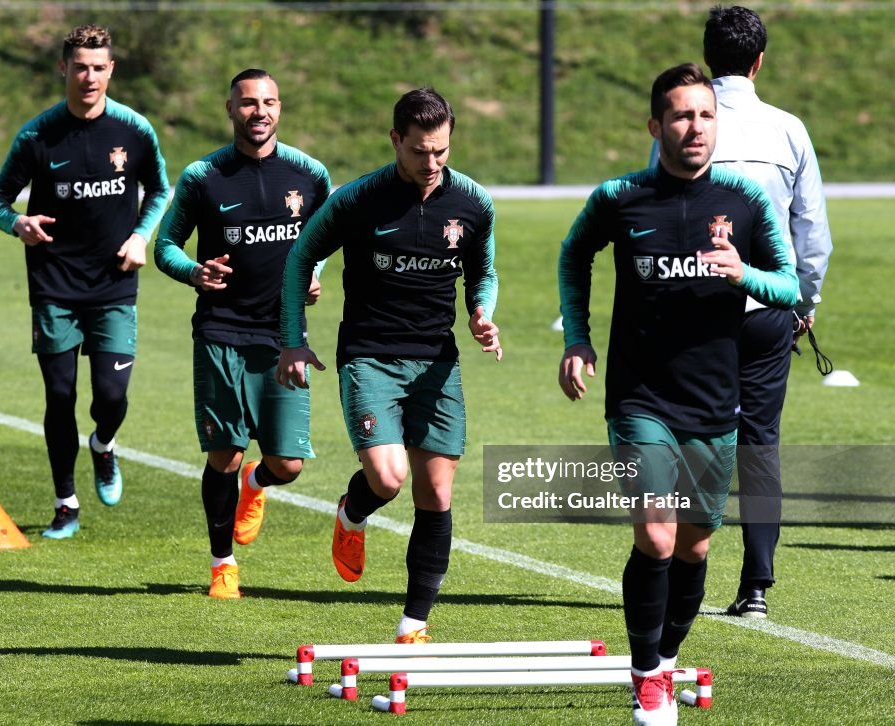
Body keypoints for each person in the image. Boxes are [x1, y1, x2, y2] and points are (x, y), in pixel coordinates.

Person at [558, 64, 797, 725]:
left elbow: (790, 286)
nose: (695, 127)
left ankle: (664, 658)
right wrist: (576, 337)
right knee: (657, 538)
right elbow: (574, 255)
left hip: (714, 404)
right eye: (682, 116)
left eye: (705, 116)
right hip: (639, 400)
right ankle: (647, 679)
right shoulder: (621, 197)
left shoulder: (746, 200)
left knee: (694, 546)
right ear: (655, 126)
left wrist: (744, 273)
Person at [276, 88, 500, 643]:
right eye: (421, 151)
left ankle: (413, 625)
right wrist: (293, 340)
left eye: (442, 152)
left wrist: (480, 314)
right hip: (369, 356)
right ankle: (352, 513)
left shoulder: (473, 203)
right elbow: (301, 255)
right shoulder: (358, 199)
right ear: (395, 140)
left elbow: (484, 273)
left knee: (437, 494)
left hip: (436, 363)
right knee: (388, 477)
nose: (432, 165)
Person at [0, 25, 170, 539]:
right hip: (54, 286)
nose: (89, 76)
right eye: (80, 67)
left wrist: (140, 237)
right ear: (63, 69)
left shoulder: (133, 130)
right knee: (59, 394)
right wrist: (17, 223)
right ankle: (66, 503)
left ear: (111, 70)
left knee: (111, 397)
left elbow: (160, 189)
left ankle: (105, 445)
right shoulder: (37, 135)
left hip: (113, 284)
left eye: (98, 67)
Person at [154, 69, 331, 599]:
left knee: (288, 464)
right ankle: (222, 563)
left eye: (270, 102)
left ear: (280, 108)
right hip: (221, 331)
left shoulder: (309, 173)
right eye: (249, 103)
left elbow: (324, 238)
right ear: (229, 108)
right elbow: (165, 246)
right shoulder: (203, 176)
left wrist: (315, 273)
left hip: (283, 336)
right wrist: (194, 272)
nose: (261, 112)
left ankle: (257, 484)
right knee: (224, 454)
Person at [703, 4, 834, 620]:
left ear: (708, 62)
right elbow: (812, 233)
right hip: (767, 310)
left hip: (697, 306)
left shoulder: (688, 125)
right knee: (760, 443)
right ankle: (756, 585)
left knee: (689, 435)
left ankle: (684, 573)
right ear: (760, 61)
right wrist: (803, 301)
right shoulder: (789, 128)